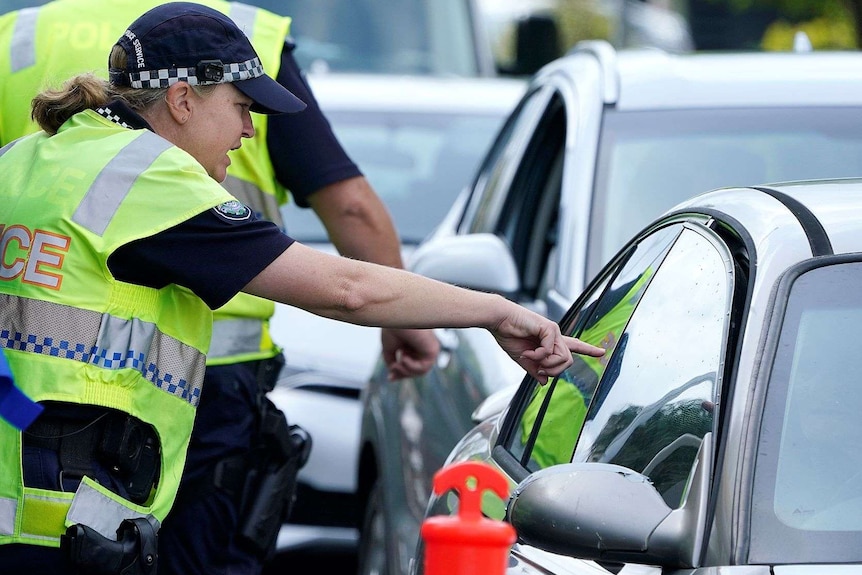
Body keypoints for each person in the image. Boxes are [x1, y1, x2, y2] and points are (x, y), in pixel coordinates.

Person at [0, 3, 605, 574]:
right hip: (59, 521)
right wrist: (497, 313)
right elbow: (345, 288)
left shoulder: (28, 158)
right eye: (241, 106)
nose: (247, 131)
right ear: (182, 100)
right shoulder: (147, 176)